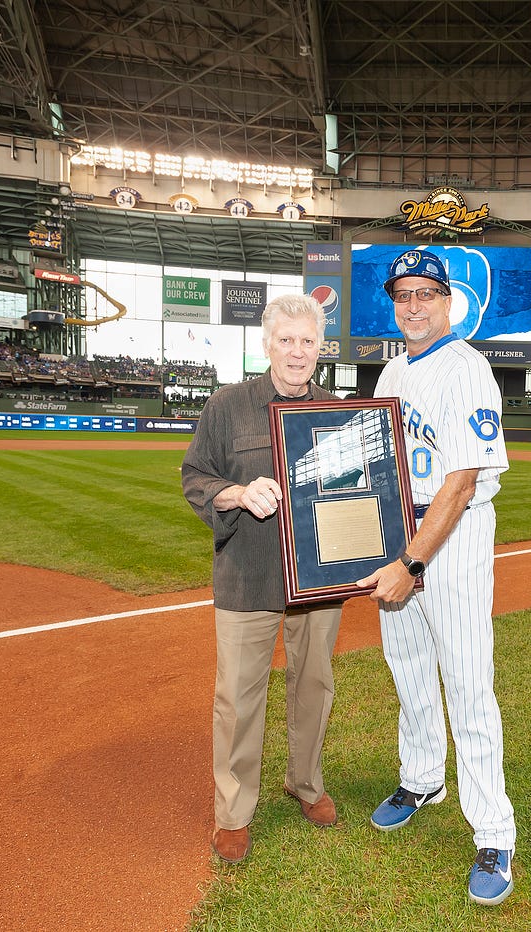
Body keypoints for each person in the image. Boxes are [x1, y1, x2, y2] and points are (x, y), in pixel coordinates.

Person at [355, 249, 517, 907]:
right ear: (394, 304)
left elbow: (461, 481)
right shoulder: (392, 370)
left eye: (426, 293)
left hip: (452, 536)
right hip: (399, 531)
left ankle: (495, 834)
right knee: (408, 667)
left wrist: (412, 562)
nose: (414, 305)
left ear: (448, 303)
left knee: (468, 683)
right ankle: (421, 778)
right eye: (403, 295)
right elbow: (373, 462)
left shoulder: (469, 370)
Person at [181, 293, 344, 866]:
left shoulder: (339, 411)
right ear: (268, 343)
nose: (296, 352)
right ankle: (233, 812)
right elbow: (195, 475)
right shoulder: (228, 405)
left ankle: (306, 783)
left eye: (307, 341)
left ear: (320, 348)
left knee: (314, 686)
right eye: (286, 340)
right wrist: (236, 493)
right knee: (238, 697)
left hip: (319, 577)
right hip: (248, 571)